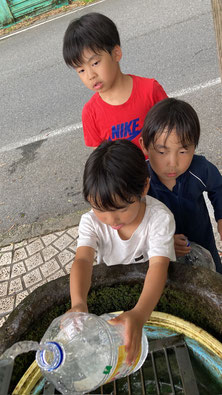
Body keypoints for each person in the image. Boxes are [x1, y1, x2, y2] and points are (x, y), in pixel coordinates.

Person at [69, 139, 176, 364]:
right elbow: (83, 260)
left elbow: (158, 266)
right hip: (120, 283)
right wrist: (78, 303)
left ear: (144, 188)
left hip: (154, 292)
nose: (111, 220)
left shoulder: (159, 219)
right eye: (100, 209)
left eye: (121, 209)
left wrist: (139, 314)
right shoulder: (91, 221)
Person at [139, 98, 222, 274]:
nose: (173, 163)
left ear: (194, 147)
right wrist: (162, 241)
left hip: (204, 245)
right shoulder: (140, 181)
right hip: (163, 256)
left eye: (183, 151)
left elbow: (219, 188)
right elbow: (130, 220)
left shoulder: (200, 169)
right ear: (144, 146)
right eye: (162, 152)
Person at [63, 12, 167, 150]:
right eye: (81, 70)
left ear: (116, 53)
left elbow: (173, 133)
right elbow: (101, 158)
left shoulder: (150, 89)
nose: (90, 75)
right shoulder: (90, 113)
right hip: (123, 172)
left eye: (95, 63)